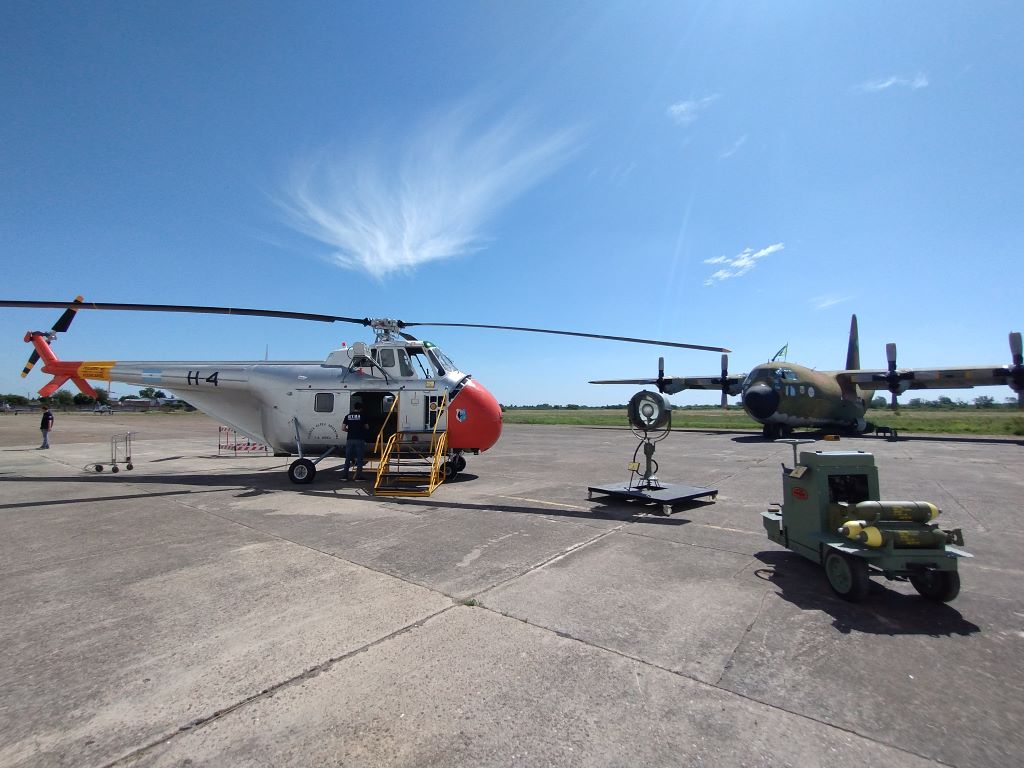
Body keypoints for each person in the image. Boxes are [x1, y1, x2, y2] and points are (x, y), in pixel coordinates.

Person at [341, 401, 370, 480]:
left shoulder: (348, 416)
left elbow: (343, 428)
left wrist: (350, 431)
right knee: (359, 458)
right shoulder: (363, 416)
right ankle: (358, 476)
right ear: (360, 408)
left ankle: (344, 476)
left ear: (354, 408)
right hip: (359, 439)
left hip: (350, 439)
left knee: (348, 458)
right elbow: (367, 427)